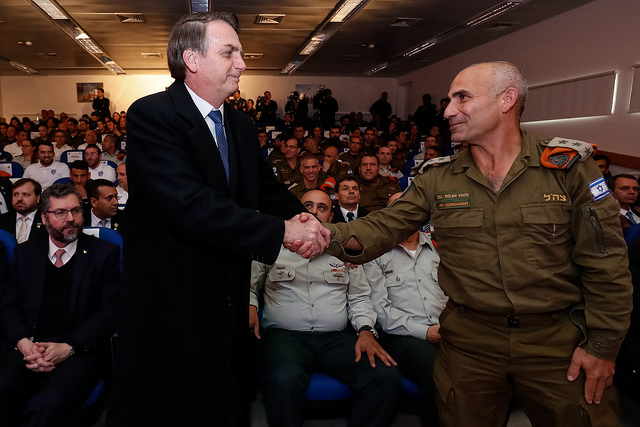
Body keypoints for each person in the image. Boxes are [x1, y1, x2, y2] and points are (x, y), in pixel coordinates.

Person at [320, 61, 632, 427]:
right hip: (470, 344)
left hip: (557, 343)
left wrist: (602, 347)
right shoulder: (438, 178)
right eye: (448, 100)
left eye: (462, 98)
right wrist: (315, 233)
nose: (448, 111)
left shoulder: (568, 169)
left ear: (507, 100)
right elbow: (381, 228)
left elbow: (606, 265)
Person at [106, 12, 329, 427]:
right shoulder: (152, 115)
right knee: (169, 405)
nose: (242, 63)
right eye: (230, 52)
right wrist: (283, 231)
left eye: (241, 53)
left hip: (226, 290)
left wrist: (304, 218)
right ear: (192, 59)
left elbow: (267, 189)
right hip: (171, 296)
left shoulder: (240, 125)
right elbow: (189, 204)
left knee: (222, 399)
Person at [249, 190, 400, 427]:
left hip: (335, 339)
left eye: (322, 207)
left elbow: (359, 297)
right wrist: (250, 305)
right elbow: (250, 286)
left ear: (331, 215)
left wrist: (366, 331)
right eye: (308, 205)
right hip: (285, 337)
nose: (314, 211)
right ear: (298, 211)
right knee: (283, 378)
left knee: (383, 376)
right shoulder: (273, 246)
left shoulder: (345, 252)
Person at [0, 184, 120, 426]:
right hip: (30, 349)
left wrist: (69, 347)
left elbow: (109, 311)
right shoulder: (26, 253)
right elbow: (8, 305)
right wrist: (23, 342)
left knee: (49, 406)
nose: (71, 219)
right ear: (44, 218)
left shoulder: (104, 253)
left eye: (76, 211)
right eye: (60, 213)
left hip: (79, 351)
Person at [364, 192, 446, 427]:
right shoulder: (375, 253)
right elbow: (381, 310)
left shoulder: (437, 248)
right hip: (403, 334)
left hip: (445, 328)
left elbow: (452, 294)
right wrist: (427, 332)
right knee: (438, 374)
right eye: (400, 208)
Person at [0, 178, 45, 243]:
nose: (19, 199)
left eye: (25, 194)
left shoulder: (47, 221)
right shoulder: (2, 221)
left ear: (38, 198)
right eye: (15, 194)